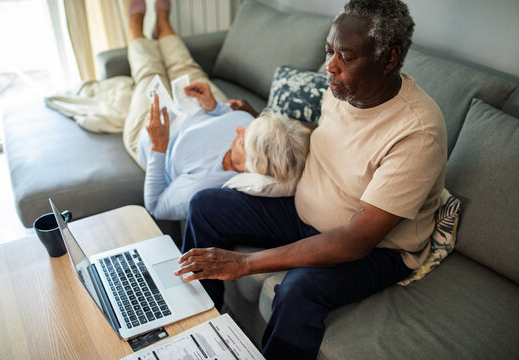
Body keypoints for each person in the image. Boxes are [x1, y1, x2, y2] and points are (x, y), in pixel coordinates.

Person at [175, 0, 447, 359]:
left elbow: (355, 241)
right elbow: (326, 136)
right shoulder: (344, 89)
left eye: (345, 57)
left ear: (389, 58)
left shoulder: (417, 133)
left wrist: (244, 264)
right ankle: (196, 332)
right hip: (304, 211)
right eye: (329, 51)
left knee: (298, 288)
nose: (330, 66)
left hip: (377, 250)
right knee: (206, 206)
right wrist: (260, 121)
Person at [124, 0, 311, 220]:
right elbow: (231, 117)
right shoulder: (247, 127)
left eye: (242, 140)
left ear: (248, 168)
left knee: (147, 73)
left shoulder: (204, 186)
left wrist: (158, 146)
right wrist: (215, 106)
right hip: (195, 110)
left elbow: (156, 206)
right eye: (248, 127)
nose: (239, 129)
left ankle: (135, 25)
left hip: (152, 138)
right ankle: (163, 22)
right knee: (185, 65)